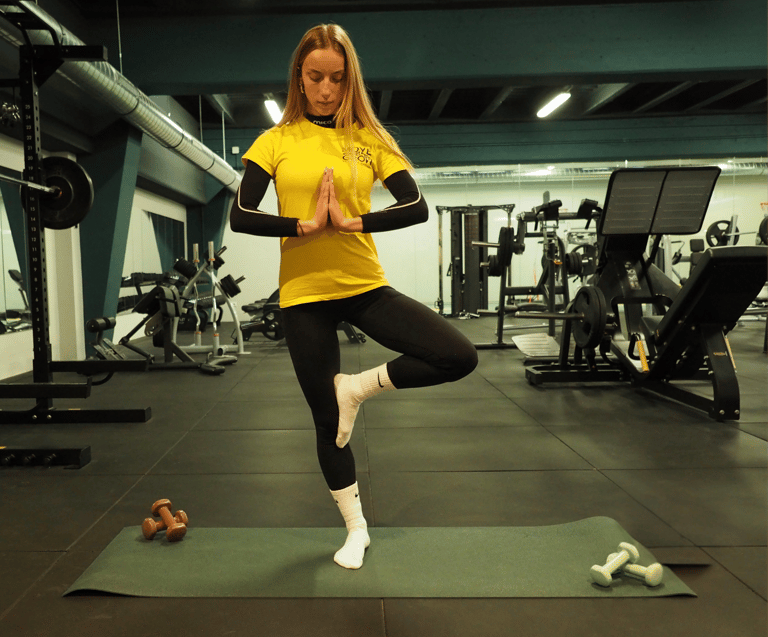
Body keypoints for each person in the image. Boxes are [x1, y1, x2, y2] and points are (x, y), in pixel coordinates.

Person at [230, 23, 478, 570]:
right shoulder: (275, 141)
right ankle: (356, 529)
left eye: (336, 79)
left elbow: (415, 206)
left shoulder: (368, 138)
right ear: (299, 75)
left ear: (349, 81)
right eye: (315, 77)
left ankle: (359, 388)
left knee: (459, 355)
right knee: (327, 422)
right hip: (302, 296)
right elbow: (240, 215)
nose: (325, 89)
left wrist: (352, 220)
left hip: (364, 285)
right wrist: (302, 225)